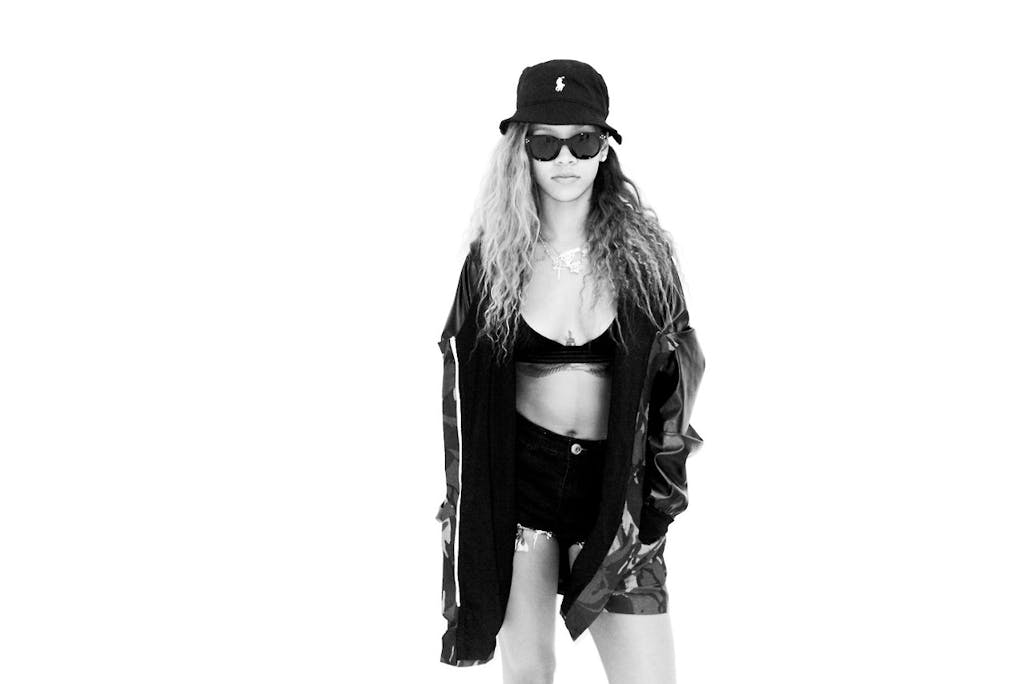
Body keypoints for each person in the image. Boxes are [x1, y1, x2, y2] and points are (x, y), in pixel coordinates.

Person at [435, 59, 706, 684]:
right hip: (521, 493)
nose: (565, 158)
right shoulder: (491, 263)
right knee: (528, 672)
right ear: (521, 151)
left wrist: (656, 511)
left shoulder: (645, 260)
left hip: (613, 495)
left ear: (605, 148)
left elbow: (677, 389)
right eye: (546, 142)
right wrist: (465, 517)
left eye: (582, 141)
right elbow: (461, 401)